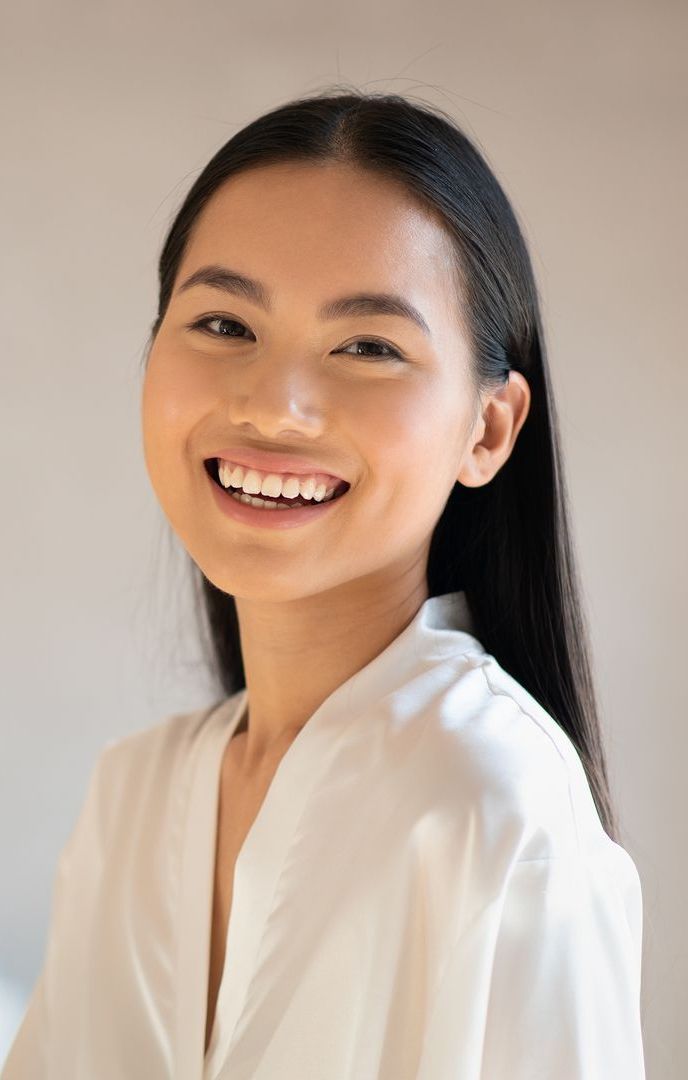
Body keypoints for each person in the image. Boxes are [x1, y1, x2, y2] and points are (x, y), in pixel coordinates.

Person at [3, 89, 646, 1080]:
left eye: (368, 348)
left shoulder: (496, 810)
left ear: (488, 431)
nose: (276, 405)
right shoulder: (130, 799)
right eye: (223, 324)